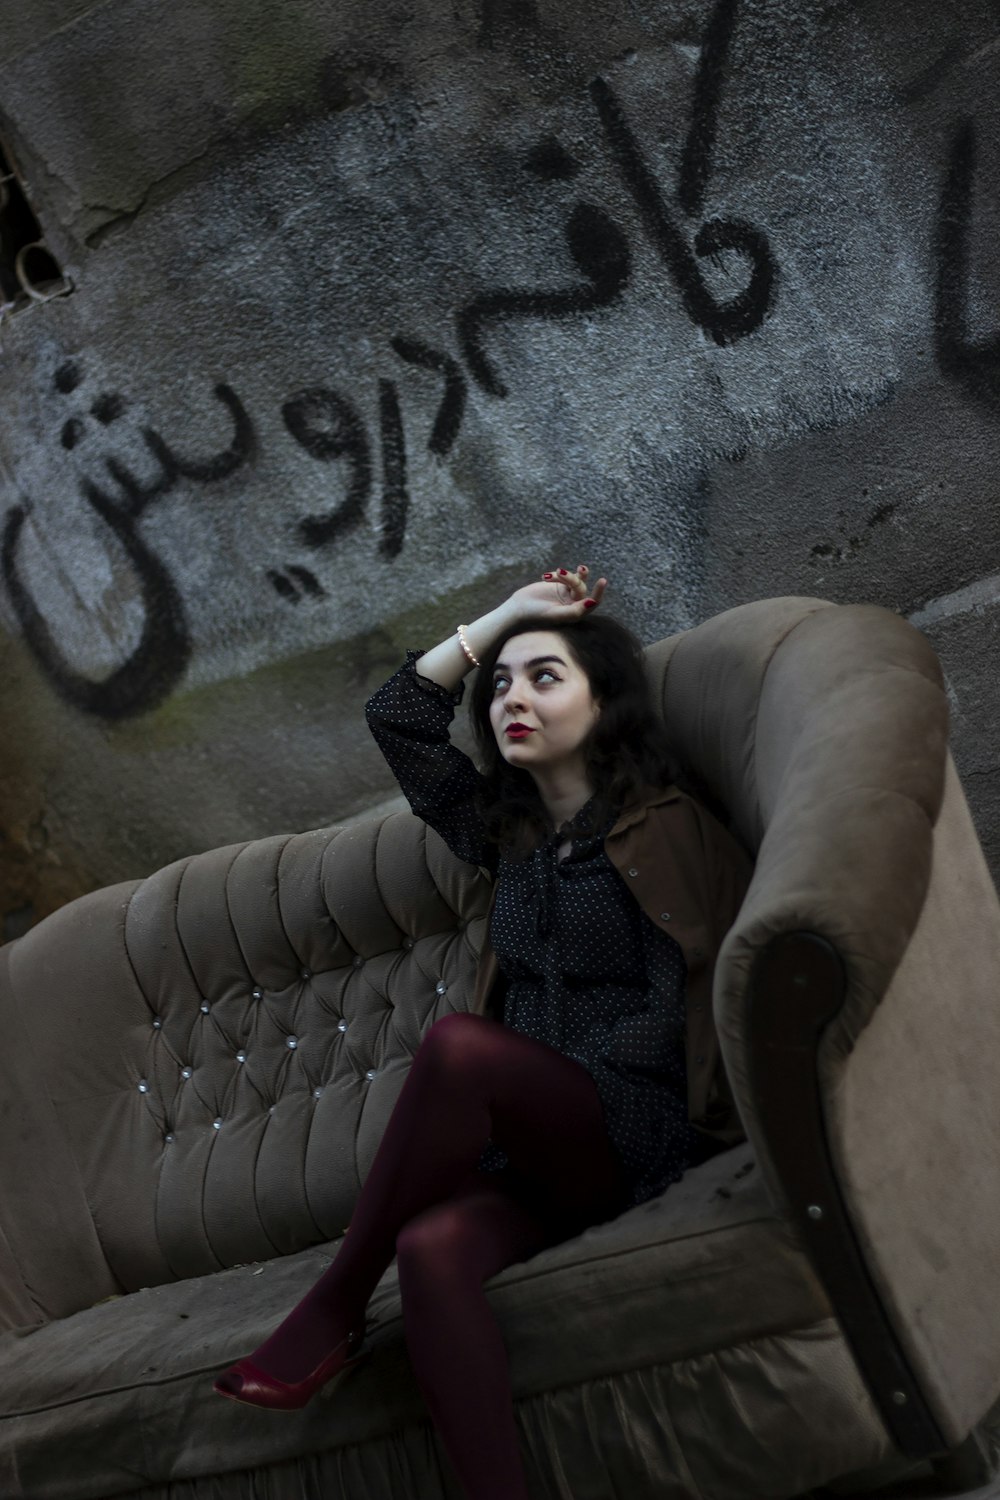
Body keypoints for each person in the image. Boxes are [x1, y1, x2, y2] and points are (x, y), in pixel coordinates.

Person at [213, 564, 753, 1500]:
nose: (513, 697)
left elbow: (677, 1018)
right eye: (502, 684)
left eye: (545, 677)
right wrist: (506, 620)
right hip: (536, 1161)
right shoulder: (510, 838)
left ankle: (335, 1305)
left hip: (639, 1131)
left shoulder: (662, 830)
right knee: (430, 1252)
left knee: (461, 1049)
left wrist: (536, 1086)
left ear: (605, 701)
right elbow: (399, 719)